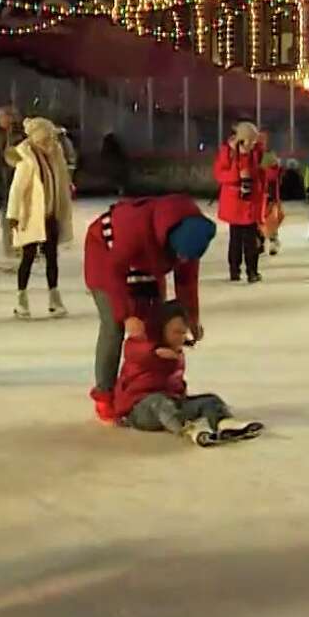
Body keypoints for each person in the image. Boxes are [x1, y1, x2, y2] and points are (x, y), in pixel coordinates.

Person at [83, 194, 214, 422]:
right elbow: (114, 271)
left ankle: (149, 386)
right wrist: (126, 315)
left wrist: (191, 318)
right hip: (106, 255)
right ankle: (105, 395)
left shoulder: (191, 234)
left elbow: (186, 282)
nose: (183, 260)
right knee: (114, 324)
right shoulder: (134, 226)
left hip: (148, 259)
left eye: (186, 258)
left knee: (157, 321)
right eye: (179, 255)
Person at [113, 302, 263, 446]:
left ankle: (224, 423)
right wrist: (153, 352)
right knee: (158, 402)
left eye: (183, 332)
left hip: (171, 402)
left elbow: (175, 382)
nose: (181, 337)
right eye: (176, 332)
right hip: (138, 411)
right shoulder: (142, 344)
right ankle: (190, 430)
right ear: (161, 329)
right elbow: (133, 350)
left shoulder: (177, 353)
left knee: (210, 400)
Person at [9, 115, 75, 318]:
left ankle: (54, 298)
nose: (50, 141)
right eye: (47, 137)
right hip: (31, 215)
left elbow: (62, 179)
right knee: (28, 257)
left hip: (50, 214)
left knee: (52, 257)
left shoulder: (56, 154)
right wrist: (13, 214)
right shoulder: (26, 157)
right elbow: (17, 188)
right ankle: (21, 299)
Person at [215, 121, 269, 283]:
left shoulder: (256, 153)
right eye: (250, 141)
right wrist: (238, 175)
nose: (253, 144)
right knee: (236, 239)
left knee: (250, 240)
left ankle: (252, 271)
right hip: (235, 202)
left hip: (250, 201)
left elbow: (262, 173)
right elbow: (220, 175)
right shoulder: (228, 153)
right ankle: (235, 270)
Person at [0, 104, 23, 267]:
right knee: (6, 215)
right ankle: (9, 246)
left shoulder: (21, 135)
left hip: (17, 178)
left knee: (19, 214)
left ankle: (20, 244)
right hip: (2, 180)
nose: (0, 119)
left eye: (3, 116)